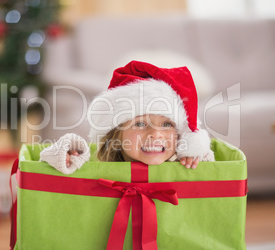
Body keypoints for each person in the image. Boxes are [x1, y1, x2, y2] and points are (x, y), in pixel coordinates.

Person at [40, 61, 214, 174]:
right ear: (117, 132)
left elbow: (212, 173)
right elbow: (46, 161)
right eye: (140, 123)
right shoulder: (99, 163)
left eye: (167, 124)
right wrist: (66, 155)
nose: (156, 134)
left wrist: (197, 155)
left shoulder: (181, 163)